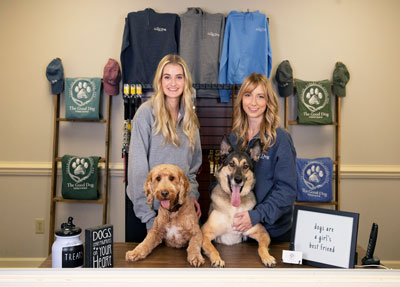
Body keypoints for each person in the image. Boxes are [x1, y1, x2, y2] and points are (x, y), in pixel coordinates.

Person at [127, 54, 202, 233]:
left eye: (179, 77)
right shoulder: (145, 114)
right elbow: (137, 171)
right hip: (149, 214)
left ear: (186, 82)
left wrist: (191, 196)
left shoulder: (190, 119)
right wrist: (149, 219)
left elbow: (191, 169)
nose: (173, 83)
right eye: (167, 77)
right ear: (159, 81)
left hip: (180, 213)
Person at [230, 73, 297, 242]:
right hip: (239, 232)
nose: (253, 102)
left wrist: (256, 215)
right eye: (248, 95)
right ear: (241, 100)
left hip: (273, 233)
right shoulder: (234, 138)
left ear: (268, 102)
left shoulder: (280, 139)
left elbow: (287, 191)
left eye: (260, 96)